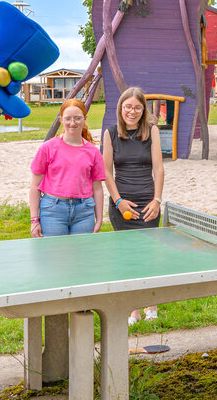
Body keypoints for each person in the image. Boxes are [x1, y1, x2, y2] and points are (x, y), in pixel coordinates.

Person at [102, 87, 166, 324]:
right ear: (121, 108)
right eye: (127, 106)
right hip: (121, 204)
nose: (132, 111)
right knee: (128, 258)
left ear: (143, 110)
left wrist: (156, 200)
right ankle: (133, 310)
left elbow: (158, 169)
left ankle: (152, 306)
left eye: (137, 107)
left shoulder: (152, 131)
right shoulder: (110, 133)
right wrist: (118, 201)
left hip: (148, 203)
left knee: (148, 256)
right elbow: (106, 172)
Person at [29, 98, 105, 238]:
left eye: (77, 118)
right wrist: (34, 220)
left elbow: (97, 188)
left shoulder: (93, 152)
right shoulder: (47, 148)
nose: (72, 123)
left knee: (82, 252)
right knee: (56, 251)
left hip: (84, 211)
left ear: (85, 118)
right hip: (53, 210)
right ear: (61, 119)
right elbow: (35, 186)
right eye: (68, 118)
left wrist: (99, 218)